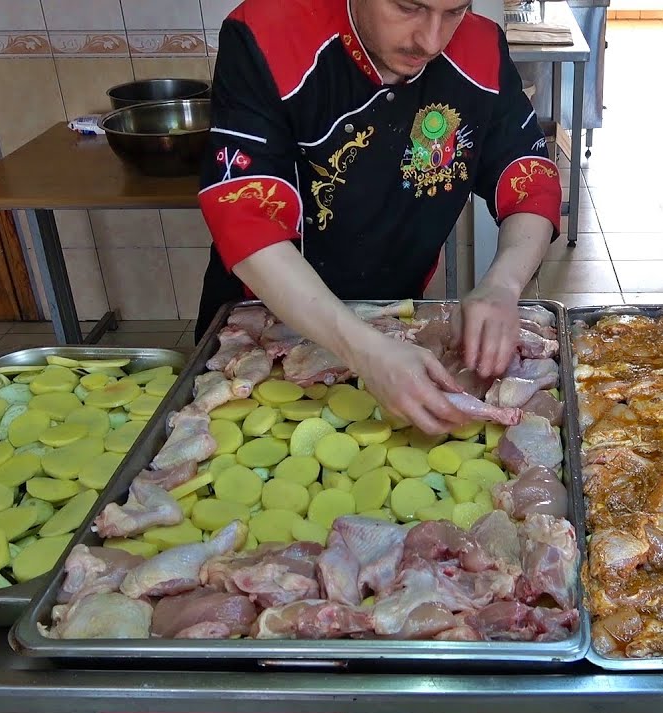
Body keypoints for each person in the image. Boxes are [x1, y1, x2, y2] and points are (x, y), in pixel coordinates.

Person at [195, 0, 562, 437]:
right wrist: (365, 351)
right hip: (268, 321)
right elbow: (246, 215)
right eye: (408, 7)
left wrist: (503, 284)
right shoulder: (265, 35)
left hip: (396, 320)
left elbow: (528, 176)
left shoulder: (481, 47)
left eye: (454, 11)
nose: (430, 40)